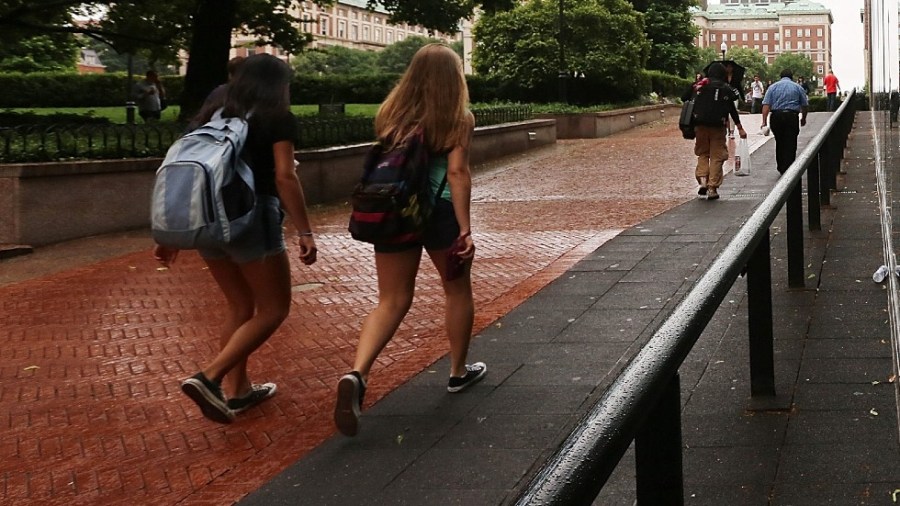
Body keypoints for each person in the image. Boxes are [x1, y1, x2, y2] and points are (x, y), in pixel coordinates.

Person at [153, 54, 318, 424]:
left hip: (208, 220)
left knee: (240, 307)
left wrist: (173, 231)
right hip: (250, 219)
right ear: (278, 83)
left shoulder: (214, 110)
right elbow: (284, 177)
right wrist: (305, 230)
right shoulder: (277, 116)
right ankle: (209, 377)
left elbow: (187, 166)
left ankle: (239, 391)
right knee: (274, 309)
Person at [334, 43, 482, 437]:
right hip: (439, 213)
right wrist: (465, 228)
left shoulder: (390, 114)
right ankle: (457, 371)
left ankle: (358, 372)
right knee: (456, 291)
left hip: (395, 210)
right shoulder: (458, 118)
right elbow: (457, 173)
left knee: (392, 298)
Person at [682, 62, 746, 201]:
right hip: (718, 126)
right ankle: (712, 188)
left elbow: (684, 97)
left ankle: (703, 180)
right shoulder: (725, 87)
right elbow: (732, 109)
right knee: (717, 156)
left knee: (703, 153)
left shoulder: (699, 85)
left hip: (700, 126)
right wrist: (740, 128)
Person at [760, 69, 810, 176]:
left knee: (780, 141)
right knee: (791, 142)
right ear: (792, 77)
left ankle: (781, 166)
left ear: (780, 76)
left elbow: (766, 105)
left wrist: (764, 121)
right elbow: (804, 105)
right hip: (791, 116)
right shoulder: (798, 87)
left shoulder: (772, 87)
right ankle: (789, 166)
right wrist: (804, 118)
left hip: (776, 116)